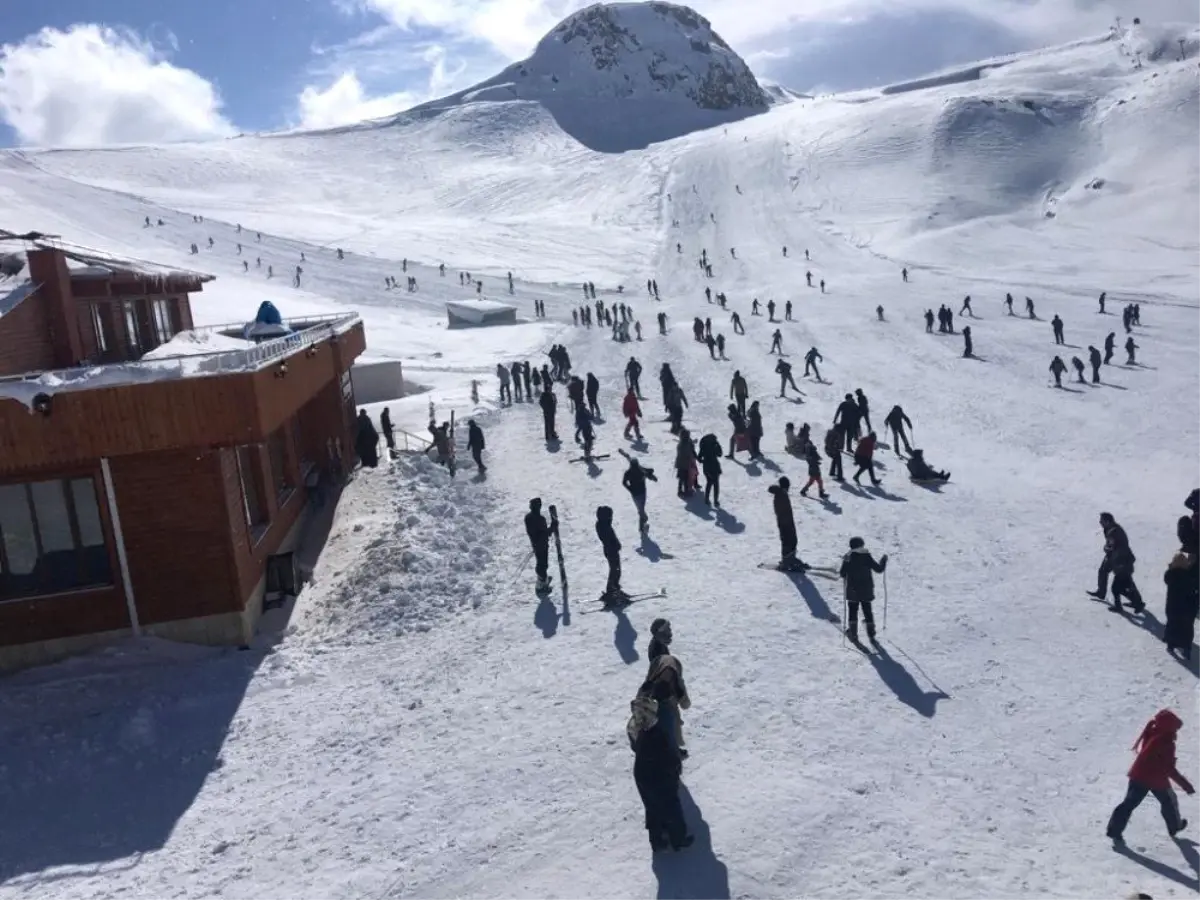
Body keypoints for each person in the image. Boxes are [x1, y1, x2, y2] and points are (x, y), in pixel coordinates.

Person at [1106, 710, 1194, 843]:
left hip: (1138, 774)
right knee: (1169, 801)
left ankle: (1114, 831)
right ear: (1170, 727)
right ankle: (1174, 827)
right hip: (1155, 779)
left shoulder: (1152, 731)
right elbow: (1169, 769)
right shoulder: (1166, 742)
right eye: (1175, 727)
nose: (1176, 730)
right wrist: (1185, 785)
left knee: (1129, 804)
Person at [627, 686, 692, 852]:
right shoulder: (657, 731)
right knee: (671, 805)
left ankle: (656, 841)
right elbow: (669, 755)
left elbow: (635, 747)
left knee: (652, 806)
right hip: (660, 774)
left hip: (641, 773)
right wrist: (675, 769)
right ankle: (678, 839)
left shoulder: (633, 726)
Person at [1089, 512, 1144, 612]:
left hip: (1120, 559)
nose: (1100, 522)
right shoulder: (1110, 529)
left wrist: (1107, 549)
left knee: (1122, 584)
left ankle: (1136, 603)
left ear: (1107, 521)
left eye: (1102, 520)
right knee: (1103, 571)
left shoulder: (1114, 531)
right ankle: (1101, 592)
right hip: (1115, 557)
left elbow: (1113, 546)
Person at [840, 537, 888, 643]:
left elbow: (842, 573)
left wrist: (847, 567)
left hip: (852, 590)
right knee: (867, 611)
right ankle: (871, 634)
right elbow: (879, 569)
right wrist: (883, 561)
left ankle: (853, 634)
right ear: (862, 545)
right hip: (866, 590)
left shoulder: (848, 557)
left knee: (853, 611)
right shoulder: (866, 556)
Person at [1163, 518, 1200, 659]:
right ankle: (1187, 648)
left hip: (1173, 607)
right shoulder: (1190, 576)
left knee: (1172, 625)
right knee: (1187, 629)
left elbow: (1167, 577)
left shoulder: (1171, 575)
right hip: (1188, 608)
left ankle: (1171, 644)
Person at [768, 477, 805, 570]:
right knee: (788, 542)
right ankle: (786, 561)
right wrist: (786, 523)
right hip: (785, 523)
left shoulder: (782, 494)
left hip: (787, 522)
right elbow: (781, 511)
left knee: (792, 541)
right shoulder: (780, 495)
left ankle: (791, 558)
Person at [524, 498, 555, 593]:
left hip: (535, 544)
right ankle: (541, 585)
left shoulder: (528, 517)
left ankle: (542, 580)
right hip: (542, 545)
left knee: (540, 562)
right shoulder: (540, 519)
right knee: (543, 564)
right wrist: (554, 526)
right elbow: (546, 533)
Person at [621, 455, 656, 535]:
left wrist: (630, 489)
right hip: (642, 493)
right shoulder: (641, 471)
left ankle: (642, 526)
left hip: (634, 494)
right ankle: (642, 526)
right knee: (641, 510)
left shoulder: (628, 473)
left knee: (640, 509)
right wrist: (653, 477)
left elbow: (624, 482)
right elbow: (649, 472)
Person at [596, 506, 624, 601]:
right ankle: (612, 590)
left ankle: (615, 588)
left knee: (616, 570)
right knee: (615, 570)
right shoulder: (604, 526)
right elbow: (609, 539)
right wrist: (616, 545)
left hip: (611, 550)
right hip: (611, 551)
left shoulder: (603, 524)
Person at [697, 432, 723, 508]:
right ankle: (716, 501)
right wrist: (718, 445)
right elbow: (720, 454)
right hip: (715, 466)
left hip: (706, 467)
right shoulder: (715, 445)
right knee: (716, 484)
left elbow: (699, 458)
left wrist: (703, 461)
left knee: (709, 483)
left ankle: (706, 499)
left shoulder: (703, 446)